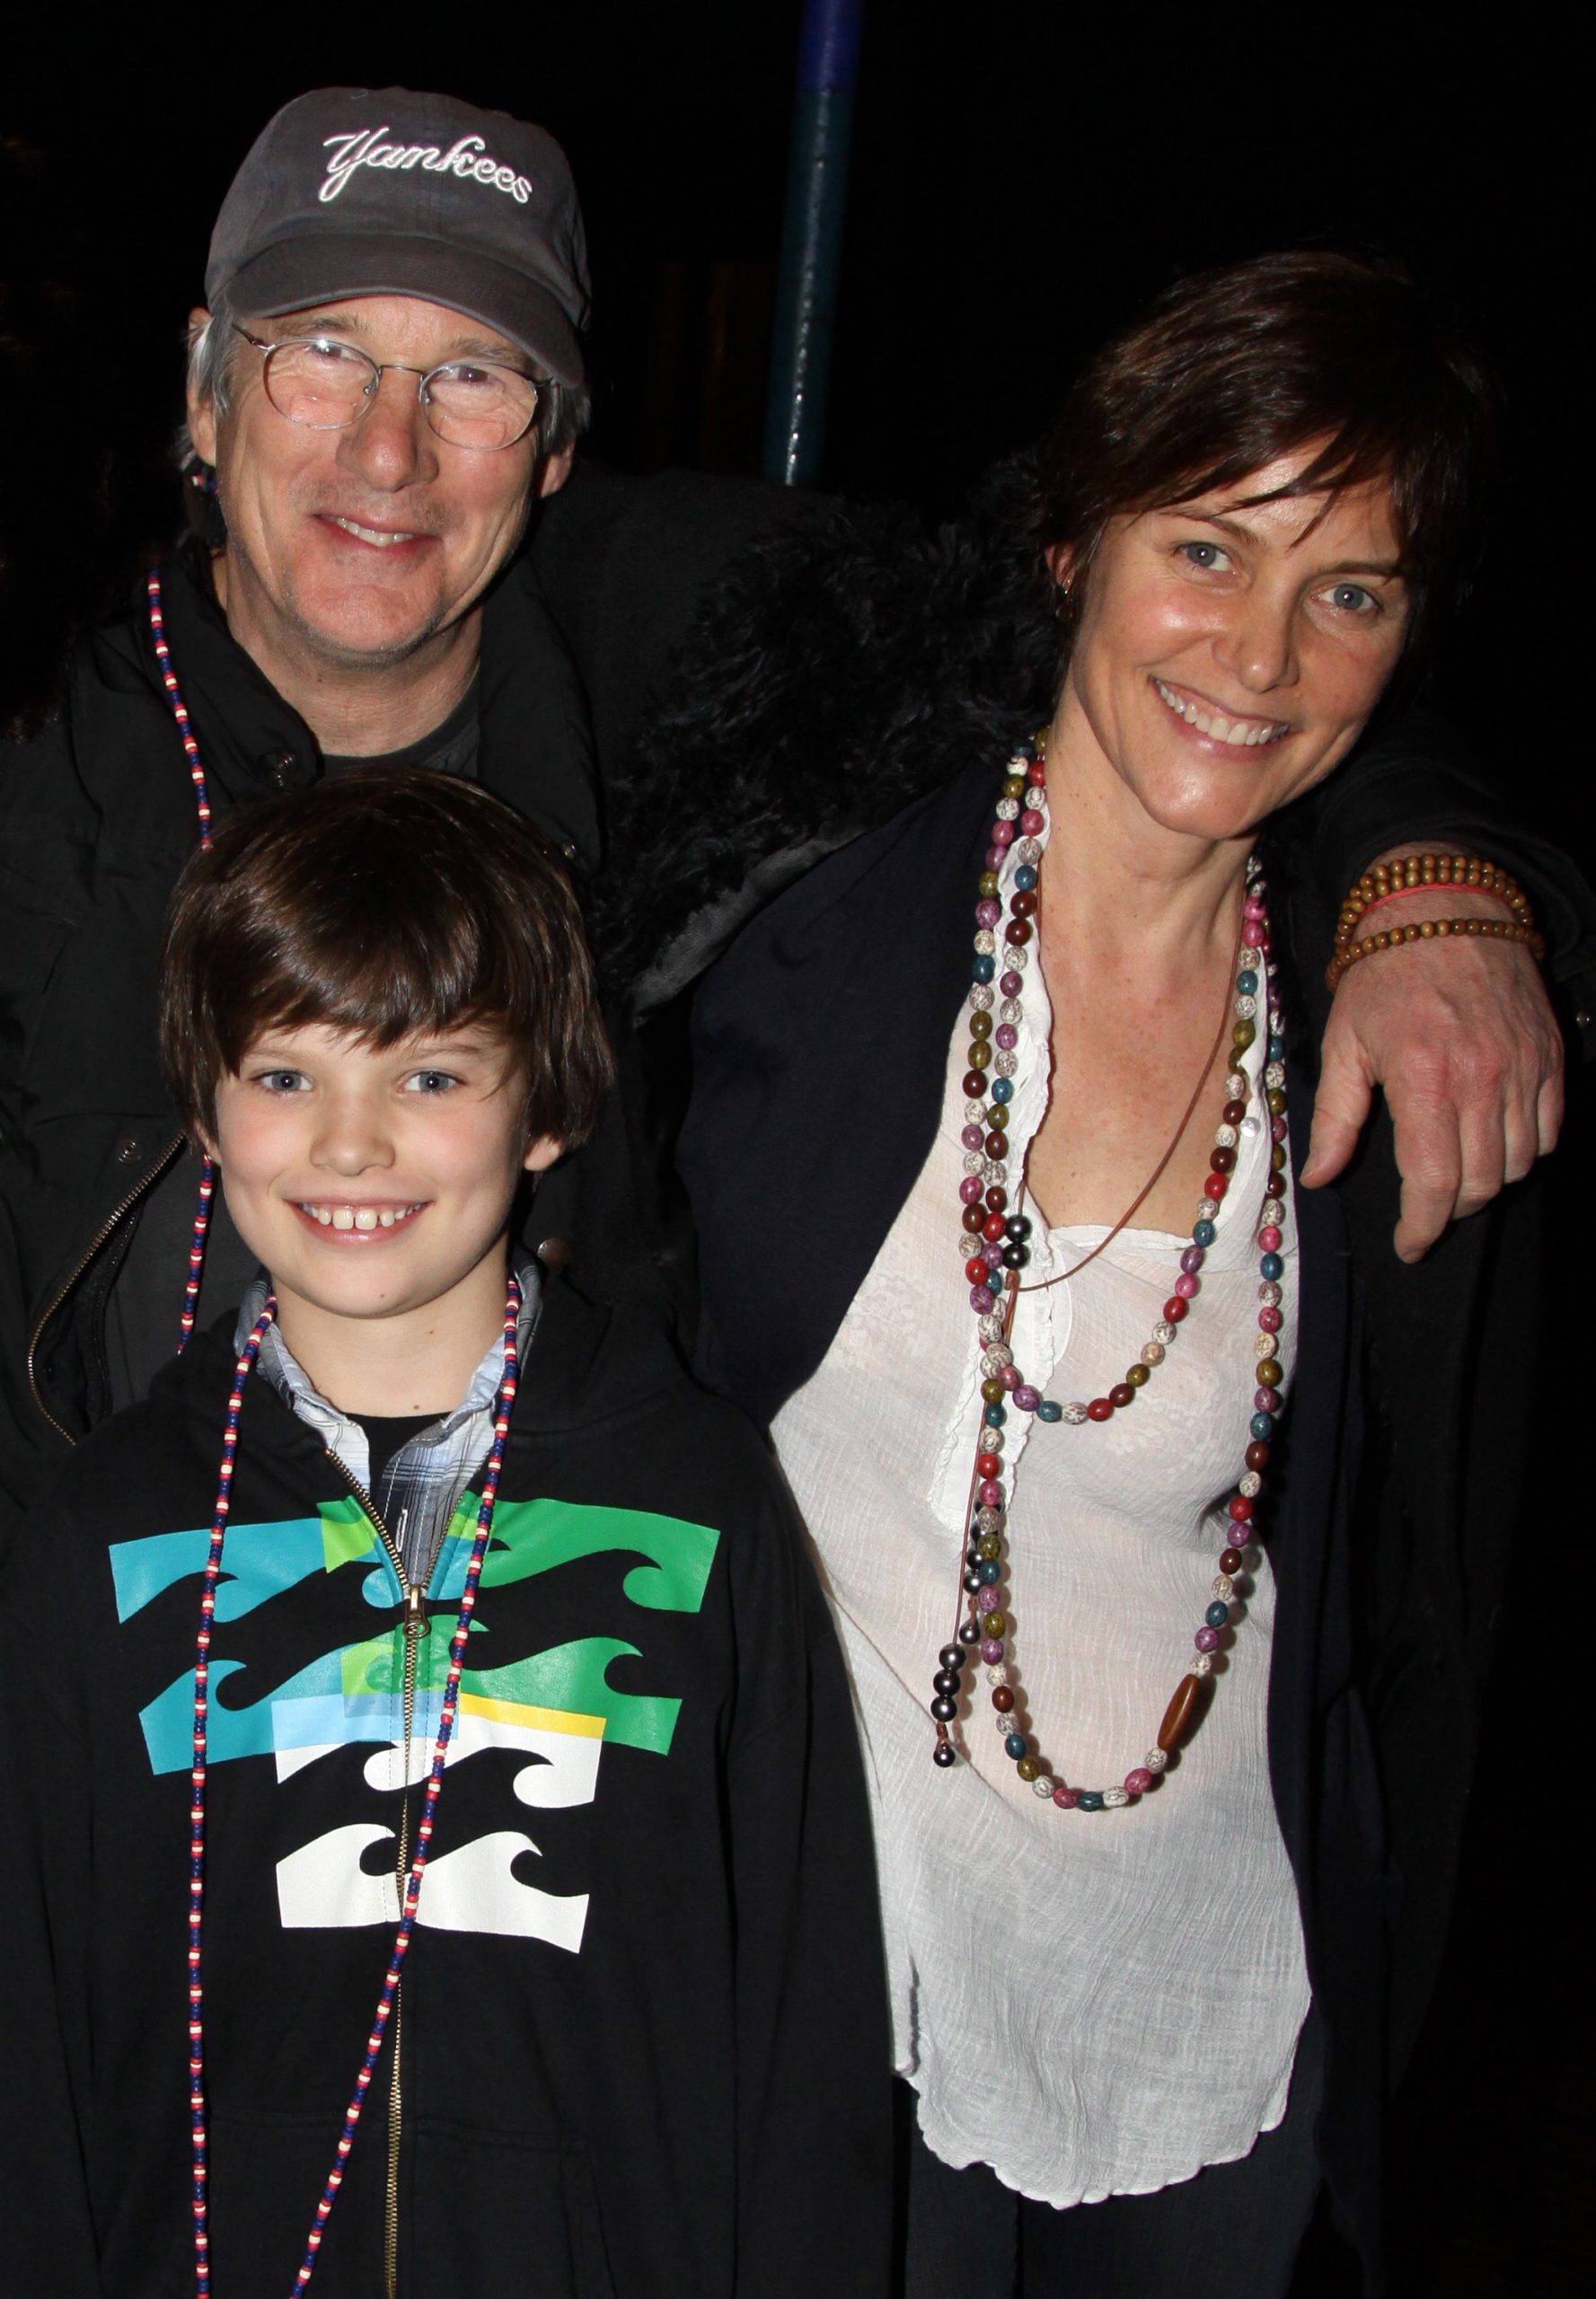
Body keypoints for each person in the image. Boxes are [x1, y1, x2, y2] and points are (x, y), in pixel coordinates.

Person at [0, 83, 1583, 1556]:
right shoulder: (34, 751)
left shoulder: (690, 649)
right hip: (100, 1705)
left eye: (471, 376)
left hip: (545, 1696)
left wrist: (1428, 874)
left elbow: (1201, 639)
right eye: (323, 353)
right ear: (205, 393)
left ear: (554, 448)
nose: (389, 450)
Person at [675, 252, 1572, 2295]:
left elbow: (1425, 1591)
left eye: (1349, 589)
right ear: (1070, 538)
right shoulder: (785, 920)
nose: (1257, 650)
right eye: (1203, 546)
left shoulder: (1393, 1061)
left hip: (1209, 2042)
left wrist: (1450, 881)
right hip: (821, 2023)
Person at [0, 768, 890, 2297]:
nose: (350, 1146)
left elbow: (800, 2008)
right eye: (284, 1075)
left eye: (429, 1076)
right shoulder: (110, 1527)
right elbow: (31, 2021)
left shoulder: (696, 1500)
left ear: (548, 1105)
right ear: (204, 1105)